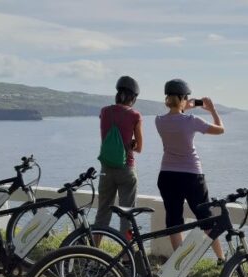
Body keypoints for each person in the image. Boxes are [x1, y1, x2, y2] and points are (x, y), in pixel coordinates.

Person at [155, 78, 227, 263]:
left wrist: (184, 104)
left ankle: (180, 265)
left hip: (167, 175)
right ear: (183, 98)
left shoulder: (159, 121)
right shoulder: (192, 121)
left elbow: (176, 113)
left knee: (173, 221)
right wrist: (212, 109)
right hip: (192, 176)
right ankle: (221, 258)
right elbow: (220, 130)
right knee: (206, 218)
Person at [94, 76, 143, 239]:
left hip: (106, 169)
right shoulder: (135, 115)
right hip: (126, 168)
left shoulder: (104, 111)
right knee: (127, 216)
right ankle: (127, 258)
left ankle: (93, 253)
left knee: (102, 212)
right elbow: (140, 148)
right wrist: (132, 144)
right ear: (133, 97)